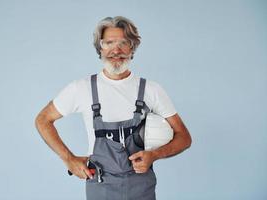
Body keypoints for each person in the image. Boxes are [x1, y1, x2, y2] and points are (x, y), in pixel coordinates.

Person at [35, 16, 192, 200]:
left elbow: (184, 137)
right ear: (100, 48)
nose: (116, 50)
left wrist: (155, 155)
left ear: (132, 48)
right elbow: (43, 120)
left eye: (123, 43)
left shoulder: (151, 90)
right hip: (101, 188)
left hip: (141, 188)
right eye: (108, 43)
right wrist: (69, 159)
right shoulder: (81, 88)